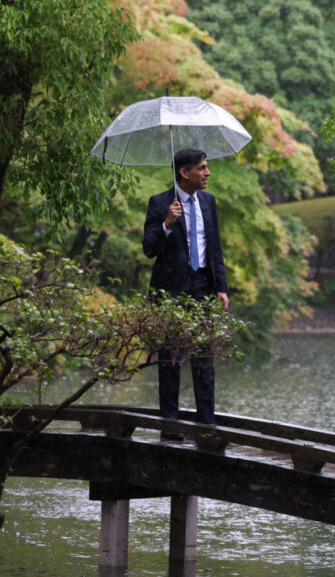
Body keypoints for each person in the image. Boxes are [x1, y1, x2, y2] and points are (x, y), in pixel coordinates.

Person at [142, 148, 230, 439]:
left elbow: (215, 248)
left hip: (203, 287)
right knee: (170, 361)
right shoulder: (159, 203)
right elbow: (148, 249)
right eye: (202, 168)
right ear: (184, 172)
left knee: (204, 360)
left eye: (206, 167)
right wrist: (167, 223)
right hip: (170, 292)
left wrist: (221, 288)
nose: (207, 173)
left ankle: (206, 428)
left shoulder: (209, 201)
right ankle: (170, 429)